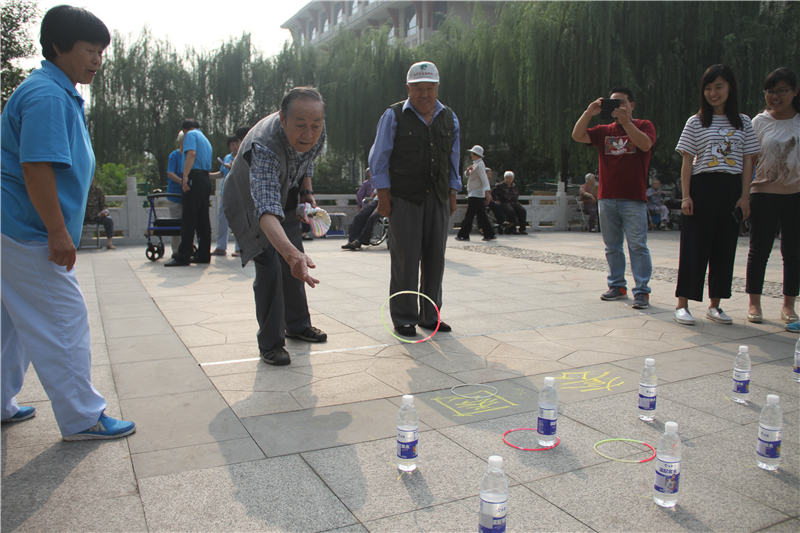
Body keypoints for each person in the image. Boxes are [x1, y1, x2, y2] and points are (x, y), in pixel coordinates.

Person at [1, 5, 135, 439]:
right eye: (90, 50)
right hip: (25, 228)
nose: (97, 60)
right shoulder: (47, 96)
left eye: (101, 52)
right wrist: (58, 232)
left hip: (13, 225)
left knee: (12, 322)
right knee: (63, 318)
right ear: (58, 46)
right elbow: (36, 167)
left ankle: (1, 400)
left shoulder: (56, 90)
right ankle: (82, 416)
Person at [223, 87, 328, 366]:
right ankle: (270, 342)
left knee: (295, 262)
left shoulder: (317, 130)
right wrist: (290, 254)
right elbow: (266, 210)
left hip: (287, 192)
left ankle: (297, 325)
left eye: (315, 125)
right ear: (282, 119)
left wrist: (306, 194)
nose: (309, 133)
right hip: (249, 200)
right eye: (300, 125)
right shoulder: (264, 146)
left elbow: (307, 160)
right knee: (271, 263)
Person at [369, 60, 461, 337]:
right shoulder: (394, 115)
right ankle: (405, 317)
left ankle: (430, 316)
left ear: (437, 88)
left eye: (430, 88)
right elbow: (379, 158)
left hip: (438, 196)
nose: (425, 95)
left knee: (436, 258)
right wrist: (383, 197)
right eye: (418, 89)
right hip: (404, 197)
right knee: (406, 259)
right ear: (408, 89)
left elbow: (453, 159)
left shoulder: (450, 117)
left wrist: (453, 192)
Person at [673, 64, 759, 326]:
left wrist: (745, 197)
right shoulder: (696, 121)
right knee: (693, 247)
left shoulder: (743, 122)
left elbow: (748, 162)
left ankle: (715, 305)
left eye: (719, 86)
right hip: (702, 187)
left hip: (730, 189)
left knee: (724, 247)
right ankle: (683, 304)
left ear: (730, 88)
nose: (713, 93)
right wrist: (686, 196)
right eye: (708, 88)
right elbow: (687, 161)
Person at [572, 87, 656, 310]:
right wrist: (589, 112)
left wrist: (627, 123)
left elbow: (646, 144)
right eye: (613, 103)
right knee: (612, 246)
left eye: (622, 102)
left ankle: (642, 291)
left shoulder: (643, 125)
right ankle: (617, 286)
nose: (618, 106)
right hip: (607, 198)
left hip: (633, 198)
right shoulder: (604, 130)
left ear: (632, 105)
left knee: (637, 245)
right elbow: (578, 135)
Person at [745, 67, 800, 327]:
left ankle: (789, 305)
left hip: (795, 195)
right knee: (759, 250)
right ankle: (754, 302)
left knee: (793, 252)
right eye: (770, 91)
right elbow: (748, 162)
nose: (775, 96)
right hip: (763, 193)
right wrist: (743, 195)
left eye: (781, 91)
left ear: (794, 92)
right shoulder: (758, 122)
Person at [165, 118, 213, 266]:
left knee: (189, 218)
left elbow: (191, 154)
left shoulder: (191, 135)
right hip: (204, 179)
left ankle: (183, 255)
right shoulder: (205, 139)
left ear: (185, 131)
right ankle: (204, 254)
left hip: (195, 177)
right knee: (202, 219)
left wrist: (185, 176)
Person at [210, 135, 242, 257]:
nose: (234, 146)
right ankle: (220, 247)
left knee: (238, 222)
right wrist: (207, 175)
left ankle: (240, 248)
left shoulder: (243, 156)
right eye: (232, 144)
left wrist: (233, 167)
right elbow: (221, 173)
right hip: (225, 193)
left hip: (238, 194)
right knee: (222, 221)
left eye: (236, 143)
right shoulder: (227, 157)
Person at [455, 145, 494, 241]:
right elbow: (468, 174)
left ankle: (463, 234)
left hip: (476, 194)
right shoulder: (476, 164)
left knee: (470, 215)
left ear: (475, 154)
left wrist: (487, 192)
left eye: (472, 153)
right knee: (482, 215)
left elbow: (484, 179)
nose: (471, 155)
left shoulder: (480, 165)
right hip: (475, 193)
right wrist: (468, 171)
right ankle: (489, 234)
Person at [342, 168, 382, 250]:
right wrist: (369, 202)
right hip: (376, 201)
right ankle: (352, 240)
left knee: (372, 218)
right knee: (359, 216)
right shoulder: (380, 178)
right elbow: (374, 194)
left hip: (387, 200)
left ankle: (359, 241)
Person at [166, 131, 185, 257]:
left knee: (188, 224)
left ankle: (186, 248)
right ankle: (176, 251)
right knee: (176, 225)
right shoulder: (175, 155)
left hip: (187, 196)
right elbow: (170, 173)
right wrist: (183, 181)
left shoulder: (191, 156)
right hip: (175, 195)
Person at [492, 170, 528, 234]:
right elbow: (493, 194)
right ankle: (512, 229)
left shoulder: (514, 186)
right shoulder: (499, 186)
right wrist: (496, 200)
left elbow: (517, 194)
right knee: (511, 211)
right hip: (504, 202)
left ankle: (522, 229)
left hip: (514, 202)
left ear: (513, 179)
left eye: (510, 178)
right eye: (507, 178)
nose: (509, 180)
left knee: (522, 210)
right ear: (504, 178)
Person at [84, 179, 115, 249]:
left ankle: (109, 243)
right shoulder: (81, 190)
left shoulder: (98, 191)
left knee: (109, 220)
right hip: (83, 216)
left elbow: (103, 205)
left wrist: (104, 211)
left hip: (96, 215)